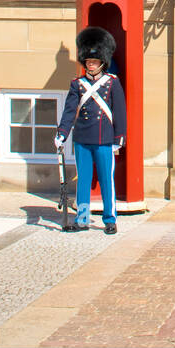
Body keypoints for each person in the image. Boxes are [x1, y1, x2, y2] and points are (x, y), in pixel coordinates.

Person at [55, 27, 126, 234]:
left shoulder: (112, 83)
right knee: (83, 181)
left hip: (104, 139)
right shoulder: (77, 85)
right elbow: (69, 112)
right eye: (88, 62)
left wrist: (119, 138)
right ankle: (82, 218)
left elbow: (119, 111)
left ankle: (110, 219)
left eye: (94, 62)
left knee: (106, 181)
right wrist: (62, 133)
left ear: (102, 63)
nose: (90, 65)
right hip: (83, 139)